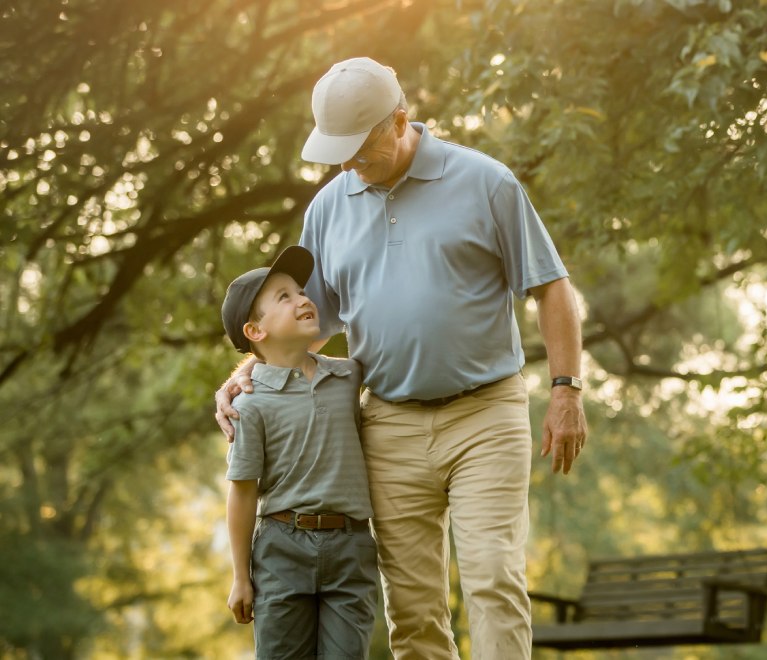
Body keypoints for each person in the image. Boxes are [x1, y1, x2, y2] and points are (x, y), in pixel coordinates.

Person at [214, 57, 589, 658]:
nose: (347, 164)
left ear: (400, 120)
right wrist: (245, 373)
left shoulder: (486, 182)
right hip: (386, 424)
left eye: (359, 147)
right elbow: (302, 323)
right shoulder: (327, 209)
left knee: (493, 578)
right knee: (412, 609)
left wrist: (566, 389)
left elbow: (552, 287)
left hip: (485, 416)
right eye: (337, 151)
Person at [220, 245, 379, 659]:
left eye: (300, 291)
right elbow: (242, 490)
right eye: (284, 297)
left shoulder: (348, 376)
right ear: (255, 331)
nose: (304, 299)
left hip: (351, 547)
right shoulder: (250, 404)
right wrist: (241, 576)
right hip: (280, 549)